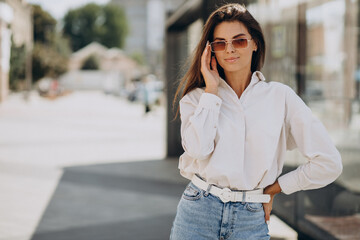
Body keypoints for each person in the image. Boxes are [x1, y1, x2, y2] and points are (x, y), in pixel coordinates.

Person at [170, 3, 343, 240]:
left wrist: (277, 188)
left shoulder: (280, 97)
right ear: (211, 51)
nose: (229, 49)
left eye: (239, 40)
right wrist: (211, 91)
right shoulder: (197, 98)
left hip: (250, 219)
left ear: (254, 43)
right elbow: (199, 150)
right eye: (220, 43)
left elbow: (329, 163)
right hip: (198, 213)